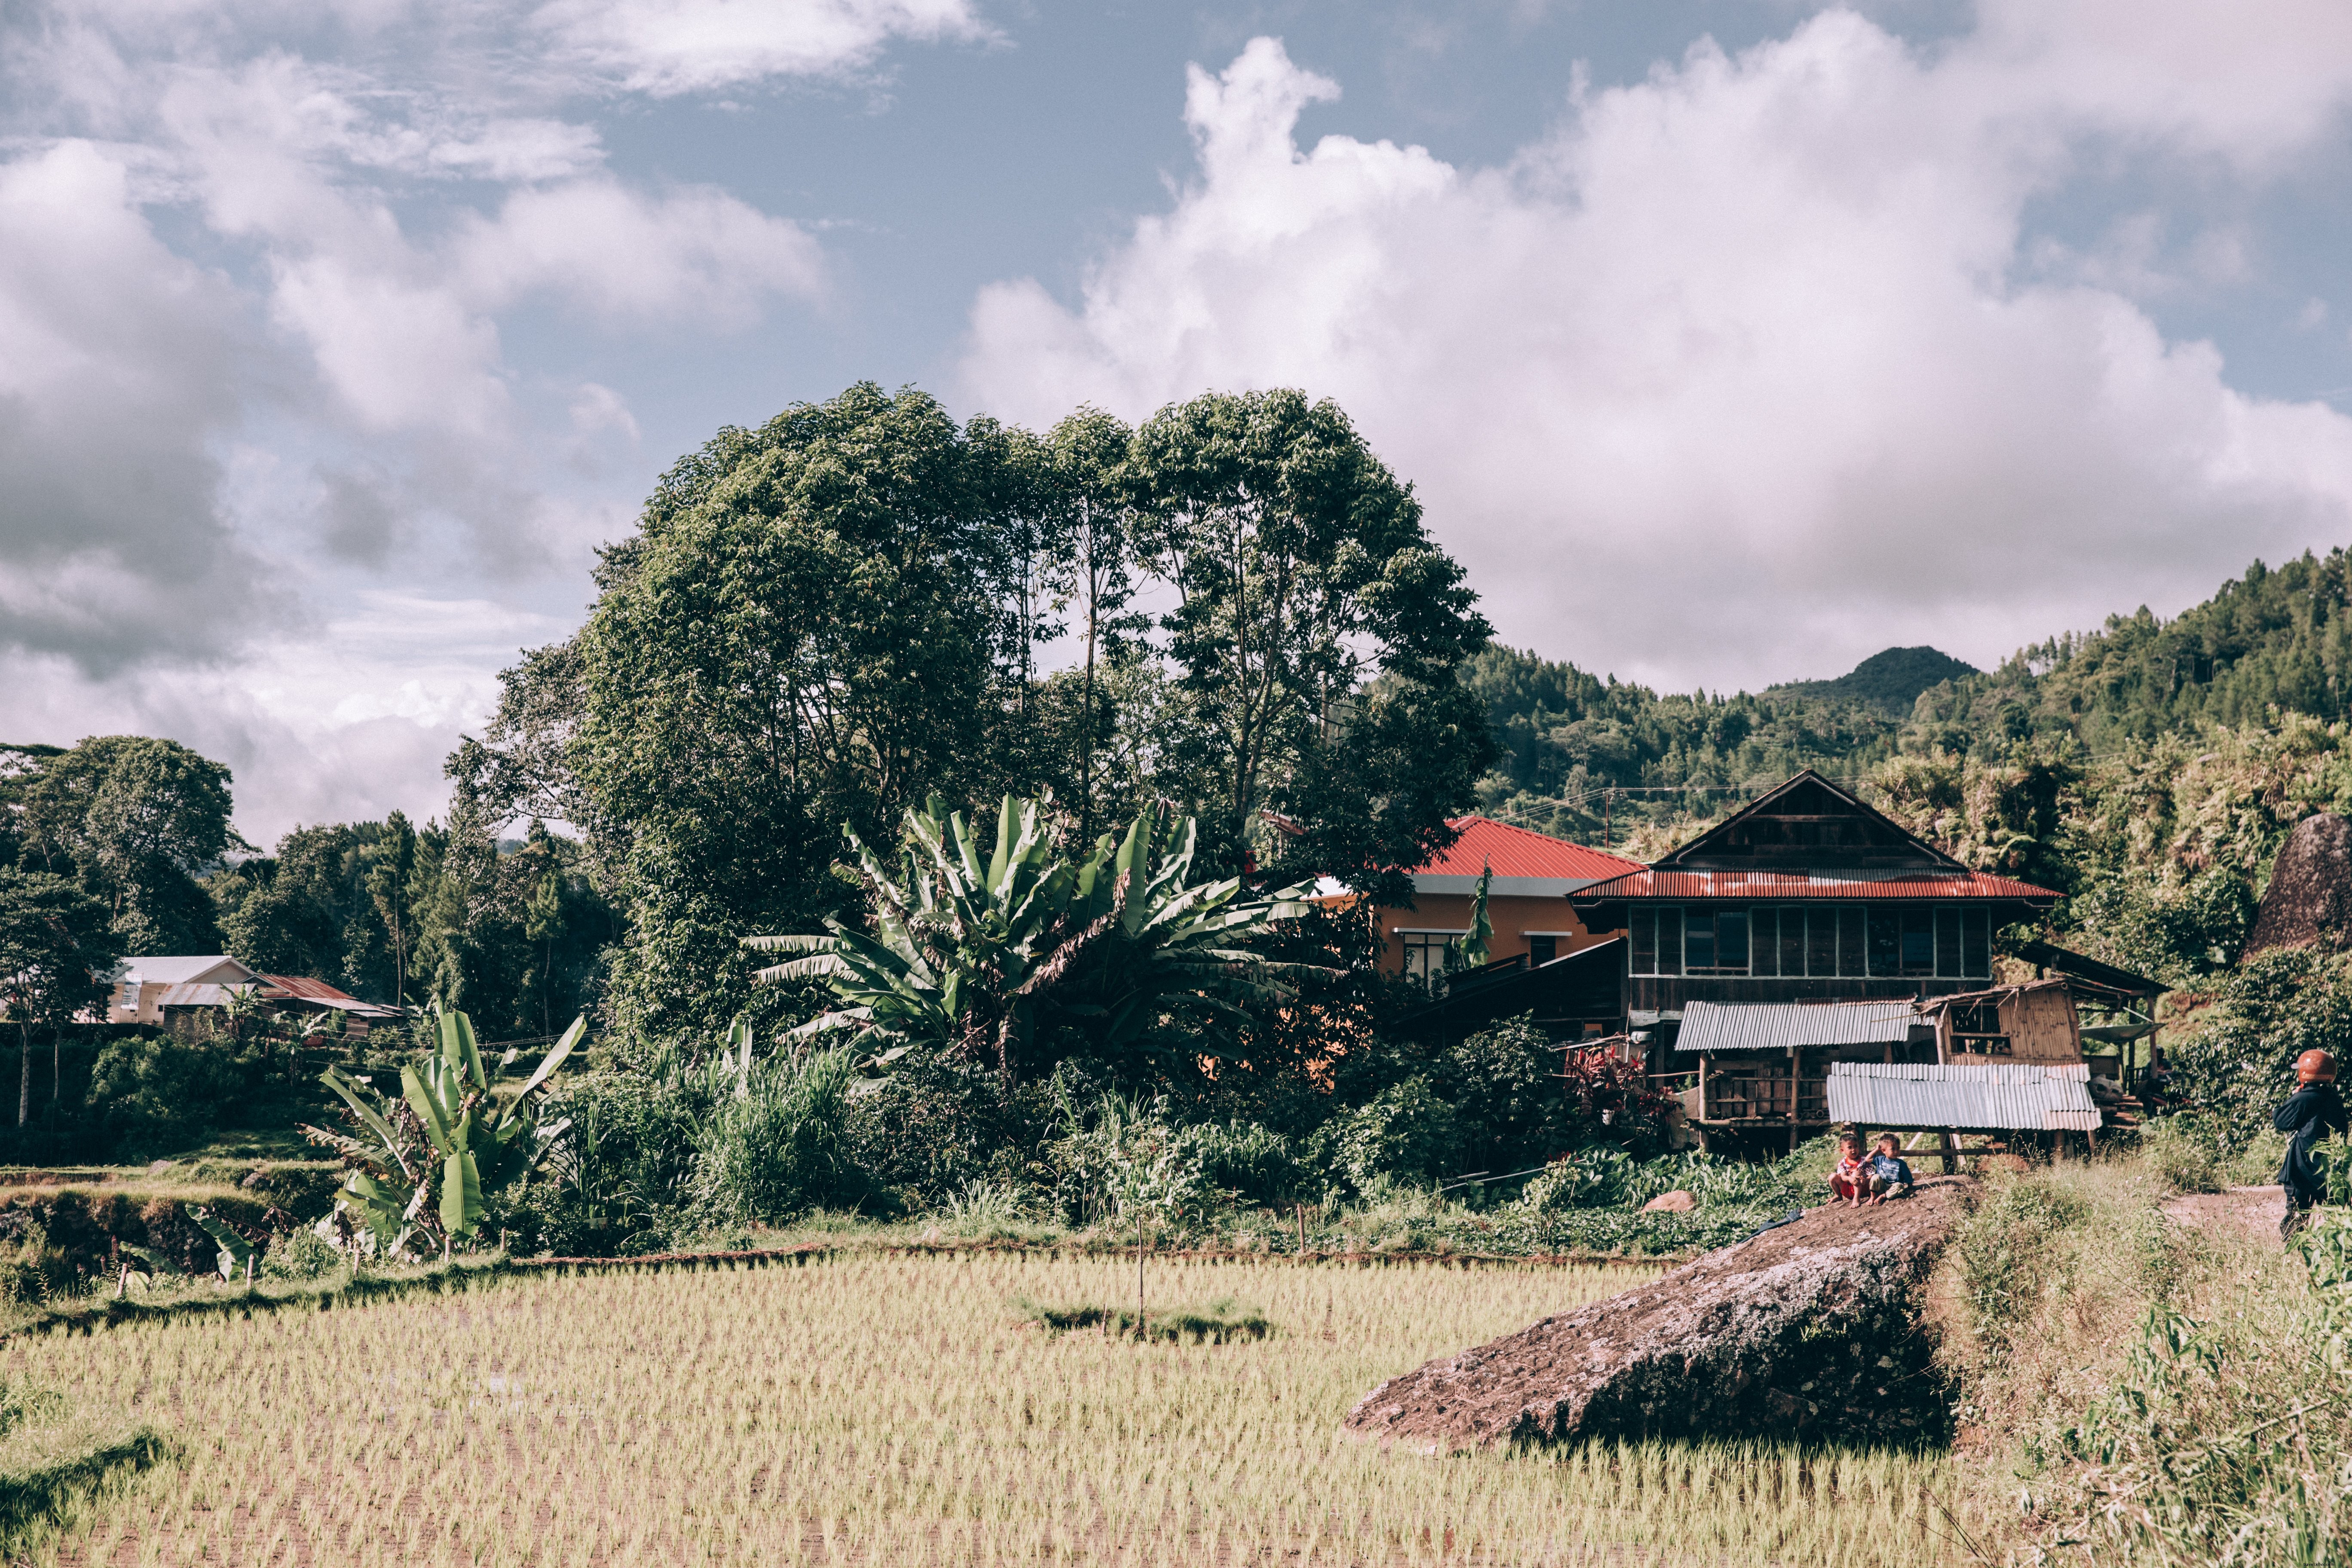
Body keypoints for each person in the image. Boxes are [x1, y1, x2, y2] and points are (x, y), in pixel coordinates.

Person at [2276, 1048, 2348, 1240]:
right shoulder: (2334, 1098)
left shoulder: (2304, 1098)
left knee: (2296, 1219)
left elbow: (2282, 1121)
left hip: (2302, 1170)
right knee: (2338, 1219)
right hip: (2330, 1170)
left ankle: (2295, 1257)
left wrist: (2295, 1097)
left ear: (2305, 1072)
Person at [1866, 1133, 1913, 1204]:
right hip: (1882, 1186)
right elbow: (1867, 1159)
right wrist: (1877, 1149)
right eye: (1893, 1149)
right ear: (1884, 1151)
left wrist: (1910, 1187)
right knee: (1875, 1177)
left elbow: (1908, 1176)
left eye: (1898, 1148)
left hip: (1894, 1187)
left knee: (1900, 1186)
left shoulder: (1901, 1163)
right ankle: (1873, 1197)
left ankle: (1884, 1196)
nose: (1896, 1152)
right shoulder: (1880, 1159)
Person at [1828, 1133, 1868, 1207]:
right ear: (1842, 1151)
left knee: (1856, 1174)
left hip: (1862, 1189)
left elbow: (1871, 1175)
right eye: (1850, 1147)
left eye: (1856, 1146)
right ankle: (1838, 1196)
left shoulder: (1864, 1160)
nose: (1853, 1150)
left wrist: (1865, 1180)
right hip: (1848, 1190)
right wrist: (1850, 1178)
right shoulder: (1842, 1162)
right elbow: (1843, 1177)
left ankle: (1857, 1198)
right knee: (1832, 1176)